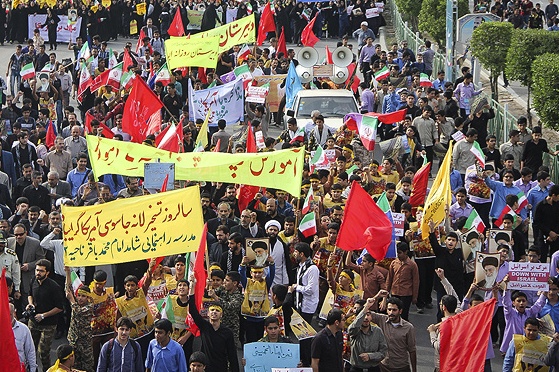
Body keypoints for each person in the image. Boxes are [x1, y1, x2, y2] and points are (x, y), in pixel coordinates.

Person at [188, 278, 240, 372]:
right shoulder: (204, 326)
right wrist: (192, 286)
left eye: (217, 310)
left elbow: (232, 355)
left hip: (221, 368)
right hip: (205, 368)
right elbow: (192, 310)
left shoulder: (227, 332)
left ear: (221, 314)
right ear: (208, 313)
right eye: (212, 310)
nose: (214, 312)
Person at [27, 258, 64, 369]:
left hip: (48, 324)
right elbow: (30, 294)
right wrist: (31, 304)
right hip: (33, 321)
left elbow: (59, 308)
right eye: (37, 270)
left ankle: (46, 369)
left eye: (41, 271)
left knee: (43, 352)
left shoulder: (54, 287)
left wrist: (44, 315)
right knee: (29, 349)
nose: (38, 273)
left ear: (47, 273)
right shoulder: (33, 280)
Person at [368, 293, 417, 372]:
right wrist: (376, 297)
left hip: (401, 367)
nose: (391, 313)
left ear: (400, 311)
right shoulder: (381, 319)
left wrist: (414, 370)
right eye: (389, 309)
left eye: (394, 310)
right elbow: (363, 311)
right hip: (384, 366)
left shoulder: (408, 327)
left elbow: (412, 350)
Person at [347, 297, 388, 372]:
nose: (366, 318)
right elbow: (353, 327)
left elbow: (383, 352)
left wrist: (370, 356)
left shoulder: (377, 331)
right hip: (356, 369)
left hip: (373, 369)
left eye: (368, 315)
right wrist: (366, 307)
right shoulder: (354, 332)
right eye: (364, 315)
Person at [386, 242, 419, 320]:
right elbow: (389, 278)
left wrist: (415, 297)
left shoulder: (412, 265)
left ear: (406, 252)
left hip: (406, 294)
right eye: (397, 253)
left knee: (404, 315)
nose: (398, 255)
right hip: (395, 293)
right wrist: (386, 292)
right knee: (393, 314)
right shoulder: (394, 263)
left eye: (400, 253)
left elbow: (416, 281)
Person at [10, 303, 37, 372]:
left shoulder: (23, 329)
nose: (7, 317)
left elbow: (30, 351)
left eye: (9, 314)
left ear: (14, 313)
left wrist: (33, 369)